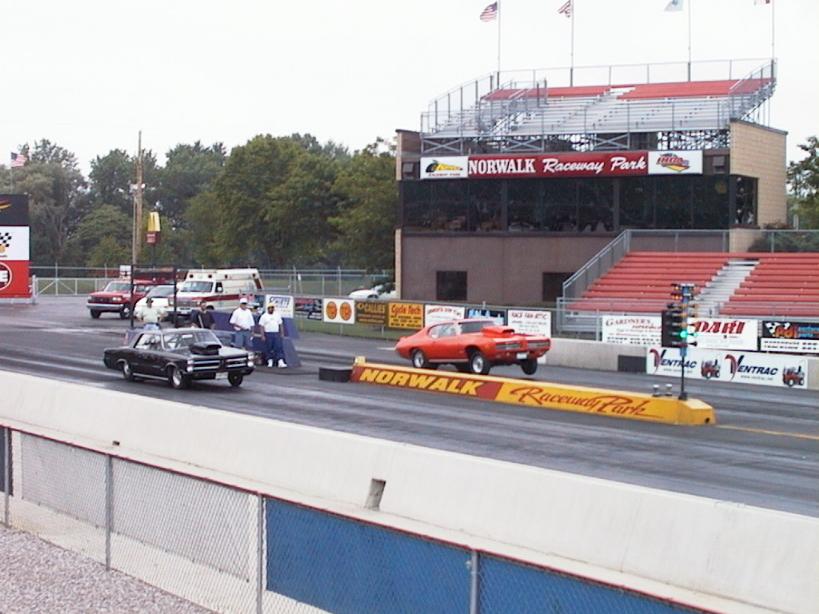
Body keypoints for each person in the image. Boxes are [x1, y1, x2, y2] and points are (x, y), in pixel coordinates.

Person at [259, 303, 287, 368]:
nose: (271, 309)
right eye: (270, 308)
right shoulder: (264, 316)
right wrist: (262, 335)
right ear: (268, 309)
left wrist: (282, 333)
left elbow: (280, 324)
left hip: (276, 333)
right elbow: (261, 326)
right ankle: (270, 361)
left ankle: (280, 361)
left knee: (278, 347)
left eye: (272, 308)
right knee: (269, 348)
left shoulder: (277, 315)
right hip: (268, 333)